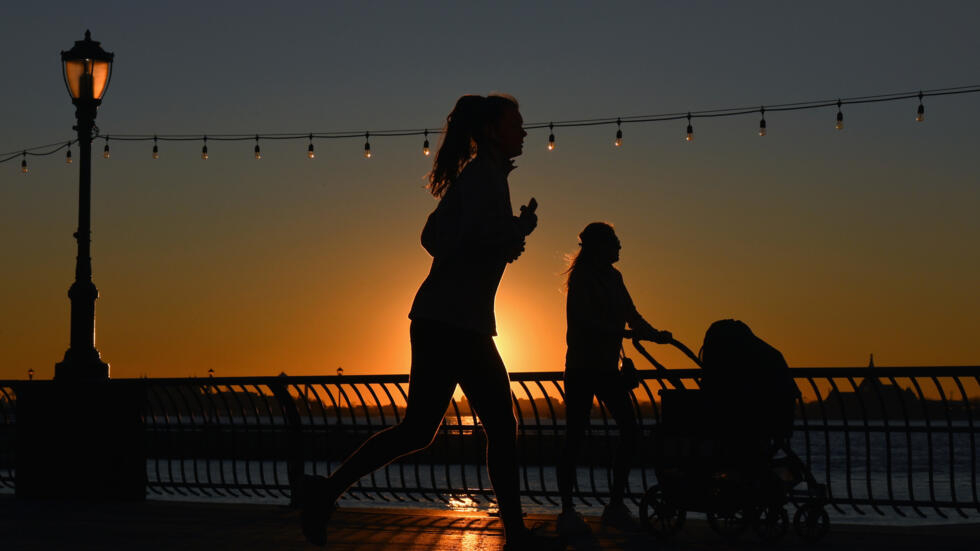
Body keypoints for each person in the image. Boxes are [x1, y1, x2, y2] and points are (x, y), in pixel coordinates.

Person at [301, 94, 562, 550]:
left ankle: (324, 492)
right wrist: (511, 232)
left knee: (419, 431)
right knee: (499, 427)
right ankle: (516, 535)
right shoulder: (484, 178)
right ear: (491, 130)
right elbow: (460, 240)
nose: (523, 131)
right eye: (516, 123)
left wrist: (510, 232)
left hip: (443, 319)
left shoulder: (482, 178)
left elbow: (437, 236)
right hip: (457, 324)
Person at [556, 222, 672, 537]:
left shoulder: (615, 278)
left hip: (606, 368)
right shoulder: (581, 278)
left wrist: (654, 335)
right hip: (582, 368)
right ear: (600, 247)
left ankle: (615, 506)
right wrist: (622, 331)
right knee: (575, 437)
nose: (620, 247)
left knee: (630, 431)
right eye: (615, 242)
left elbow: (631, 314)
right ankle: (567, 510)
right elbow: (585, 321)